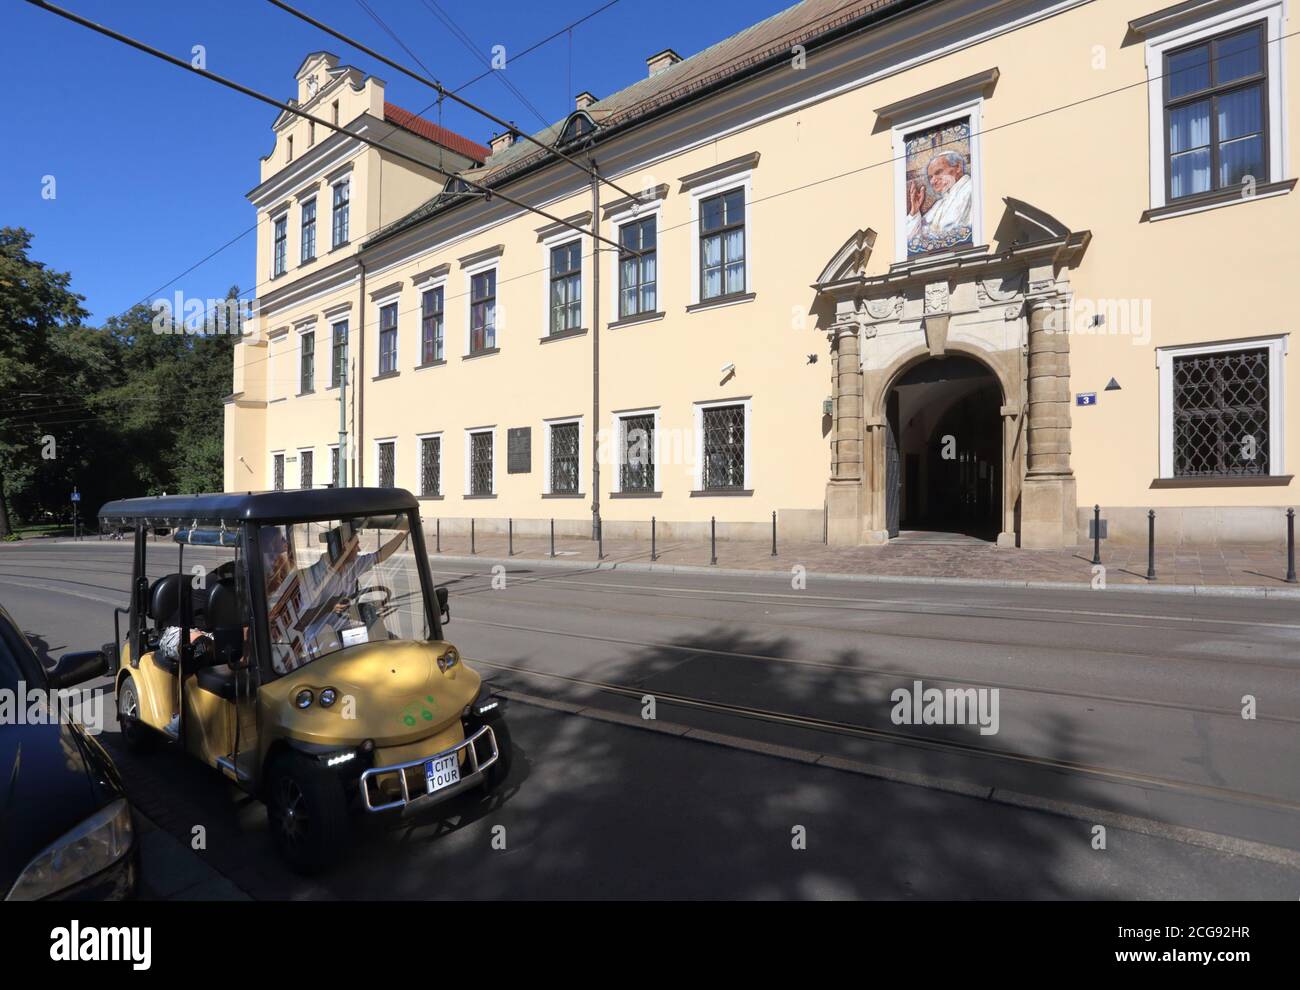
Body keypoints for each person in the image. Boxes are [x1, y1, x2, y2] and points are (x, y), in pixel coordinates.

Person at [906, 149, 973, 254]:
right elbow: (910, 239)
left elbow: (952, 230)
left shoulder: (971, 188)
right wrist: (914, 212)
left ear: (958, 167)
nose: (933, 181)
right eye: (930, 177)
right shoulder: (939, 204)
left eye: (938, 172)